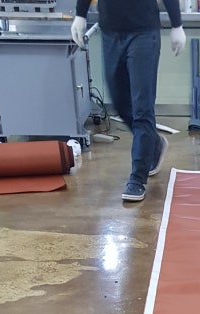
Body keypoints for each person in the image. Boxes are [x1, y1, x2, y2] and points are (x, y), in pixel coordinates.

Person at [71, 0, 186, 203]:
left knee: (142, 106)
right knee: (120, 103)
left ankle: (137, 179)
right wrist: (80, 15)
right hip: (110, 31)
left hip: (144, 32)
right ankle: (153, 143)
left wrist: (177, 25)